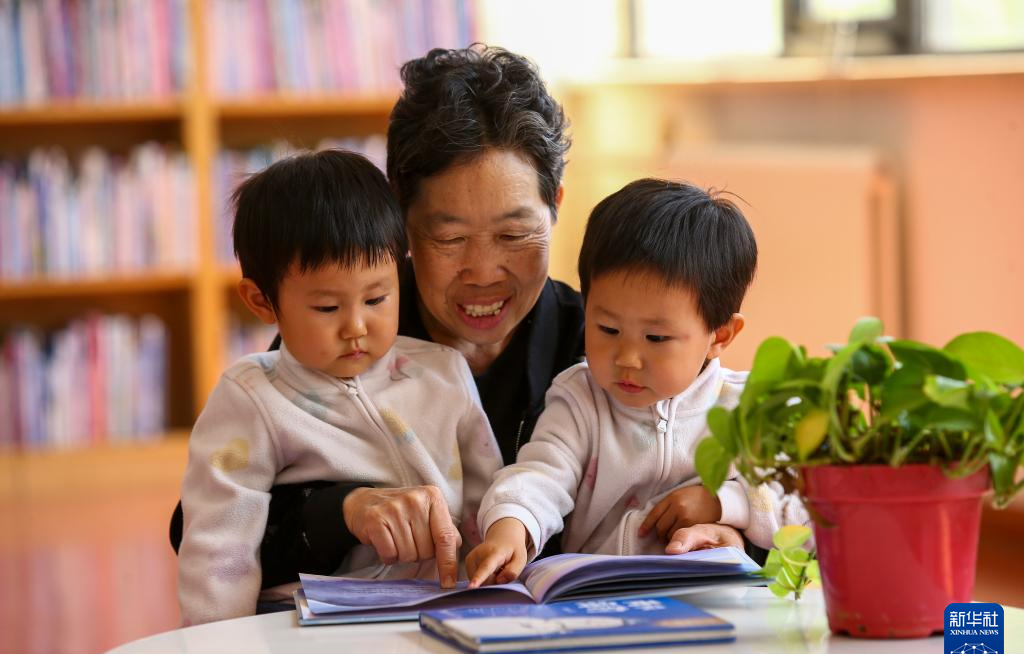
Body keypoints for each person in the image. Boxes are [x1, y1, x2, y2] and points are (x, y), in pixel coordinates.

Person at [170, 46, 755, 594]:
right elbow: (202, 527)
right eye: (448, 237)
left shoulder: (605, 340)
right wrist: (346, 510)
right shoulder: (345, 328)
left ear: (556, 205)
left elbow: (760, 493)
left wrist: (732, 536)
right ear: (399, 222)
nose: (483, 271)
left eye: (513, 233)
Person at [176, 150, 502, 624]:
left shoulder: (444, 372)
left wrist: (498, 586)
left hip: (436, 607)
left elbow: (484, 498)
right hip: (304, 618)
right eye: (327, 308)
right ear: (261, 302)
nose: (355, 327)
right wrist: (219, 651)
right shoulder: (252, 396)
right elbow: (218, 543)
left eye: (376, 298)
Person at [466, 179, 802, 586]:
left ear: (720, 336)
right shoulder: (580, 400)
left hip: (711, 604)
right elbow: (540, 475)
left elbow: (802, 511)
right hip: (597, 604)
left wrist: (723, 504)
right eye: (606, 328)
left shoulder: (750, 409)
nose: (627, 358)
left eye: (656, 338)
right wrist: (510, 527)